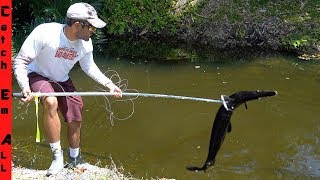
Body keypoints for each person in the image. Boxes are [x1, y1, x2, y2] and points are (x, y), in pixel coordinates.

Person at [13, 2, 122, 176]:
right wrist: (25, 87)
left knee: (76, 109)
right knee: (50, 100)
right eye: (92, 27)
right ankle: (57, 158)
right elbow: (20, 61)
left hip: (61, 79)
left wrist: (109, 84)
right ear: (77, 25)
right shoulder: (45, 32)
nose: (94, 31)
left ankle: (74, 158)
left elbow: (89, 67)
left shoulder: (86, 44)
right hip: (38, 74)